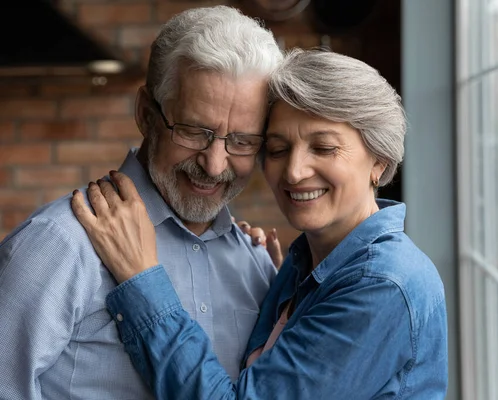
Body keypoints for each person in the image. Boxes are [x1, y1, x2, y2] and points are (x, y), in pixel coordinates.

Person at [71, 49, 449, 399]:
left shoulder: (381, 284)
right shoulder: (305, 265)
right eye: (278, 149)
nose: (295, 172)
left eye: (323, 147)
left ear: (379, 161)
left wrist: (142, 278)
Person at [0, 6, 284, 399]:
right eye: (193, 130)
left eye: (242, 140)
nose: (214, 163)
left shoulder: (256, 265)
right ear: (147, 115)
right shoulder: (59, 245)